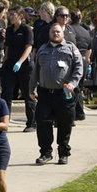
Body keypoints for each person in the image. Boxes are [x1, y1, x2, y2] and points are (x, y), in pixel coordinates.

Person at [29, 23, 83, 165]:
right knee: (42, 122)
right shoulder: (42, 49)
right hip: (45, 93)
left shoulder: (71, 48)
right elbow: (35, 71)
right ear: (49, 34)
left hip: (64, 93)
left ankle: (63, 152)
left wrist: (73, 83)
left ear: (63, 34)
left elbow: (79, 67)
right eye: (53, 32)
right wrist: (31, 89)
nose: (56, 34)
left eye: (58, 32)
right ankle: (46, 153)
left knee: (65, 123)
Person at [1, 6, 33, 127]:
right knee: (7, 93)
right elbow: (8, 47)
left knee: (27, 93)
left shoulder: (26, 30)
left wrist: (20, 62)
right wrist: (5, 60)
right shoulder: (9, 30)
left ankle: (31, 122)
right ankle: (5, 121)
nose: (10, 17)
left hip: (24, 65)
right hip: (10, 63)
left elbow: (29, 47)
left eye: (13, 14)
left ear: (20, 16)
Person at [63, 7, 92, 121]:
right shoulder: (86, 32)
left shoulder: (69, 30)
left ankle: (76, 112)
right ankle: (80, 112)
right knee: (79, 87)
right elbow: (90, 48)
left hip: (74, 61)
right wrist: (87, 59)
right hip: (84, 60)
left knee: (72, 88)